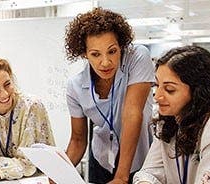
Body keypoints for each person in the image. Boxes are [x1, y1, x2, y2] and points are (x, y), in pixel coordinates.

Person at [133, 46, 210, 184]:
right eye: (157, 85)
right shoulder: (170, 120)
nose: (157, 96)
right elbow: (150, 171)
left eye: (169, 89)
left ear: (197, 92)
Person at [64, 8, 155, 184]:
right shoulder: (75, 86)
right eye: (95, 54)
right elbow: (77, 140)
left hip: (139, 158)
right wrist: (60, 173)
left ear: (121, 45)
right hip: (102, 160)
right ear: (84, 53)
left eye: (112, 51)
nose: (105, 62)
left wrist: (121, 177)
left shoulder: (137, 57)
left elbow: (132, 114)